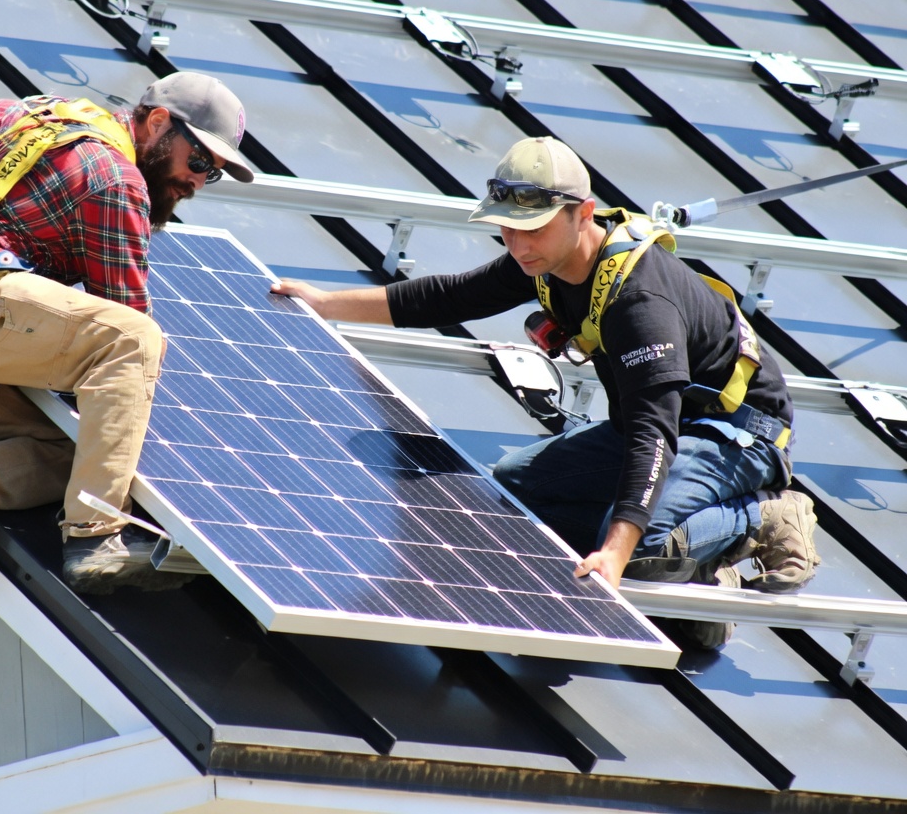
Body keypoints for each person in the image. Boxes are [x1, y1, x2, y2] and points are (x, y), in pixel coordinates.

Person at [271, 136, 820, 649]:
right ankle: (700, 572)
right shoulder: (544, 262)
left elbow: (653, 434)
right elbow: (449, 297)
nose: (518, 244)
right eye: (508, 230)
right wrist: (326, 303)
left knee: (630, 550)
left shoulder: (640, 304)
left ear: (583, 213)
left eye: (531, 229)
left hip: (735, 435)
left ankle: (761, 517)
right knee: (515, 488)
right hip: (661, 424)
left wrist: (613, 553)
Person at [0, 72, 252, 594]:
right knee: (135, 339)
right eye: (200, 161)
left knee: (89, 448)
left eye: (214, 174)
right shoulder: (117, 182)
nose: (198, 182)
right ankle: (95, 538)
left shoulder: (45, 118)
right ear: (159, 122)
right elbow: (126, 319)